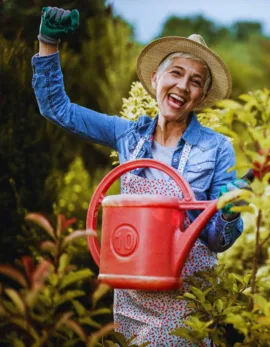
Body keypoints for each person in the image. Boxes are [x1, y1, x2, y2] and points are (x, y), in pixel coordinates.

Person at [32, 7, 248, 346]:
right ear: (155, 80)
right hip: (131, 298)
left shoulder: (218, 148)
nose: (182, 86)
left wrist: (230, 214)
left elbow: (217, 239)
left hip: (188, 302)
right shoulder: (127, 136)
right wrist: (48, 42)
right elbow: (57, 109)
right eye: (176, 73)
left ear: (201, 97)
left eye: (195, 82)